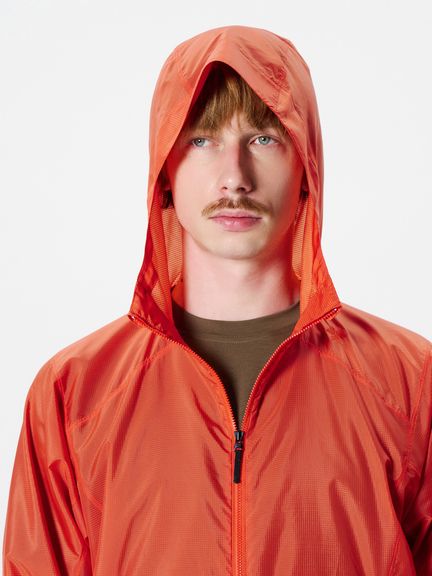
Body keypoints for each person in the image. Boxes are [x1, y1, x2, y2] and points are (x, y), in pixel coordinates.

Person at [3, 24, 431, 575]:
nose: (234, 178)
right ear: (165, 172)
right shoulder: (74, 393)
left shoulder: (408, 383)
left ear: (306, 169)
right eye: (201, 140)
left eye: (264, 139)